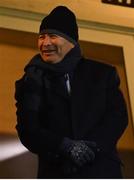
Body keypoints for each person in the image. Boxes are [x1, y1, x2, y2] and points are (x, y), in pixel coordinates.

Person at [15, 6, 128, 178]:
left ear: (71, 41)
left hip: (101, 171)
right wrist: (65, 146)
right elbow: (28, 129)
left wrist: (91, 147)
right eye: (41, 37)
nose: (45, 43)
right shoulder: (32, 79)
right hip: (57, 172)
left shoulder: (102, 74)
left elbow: (117, 117)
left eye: (52, 36)